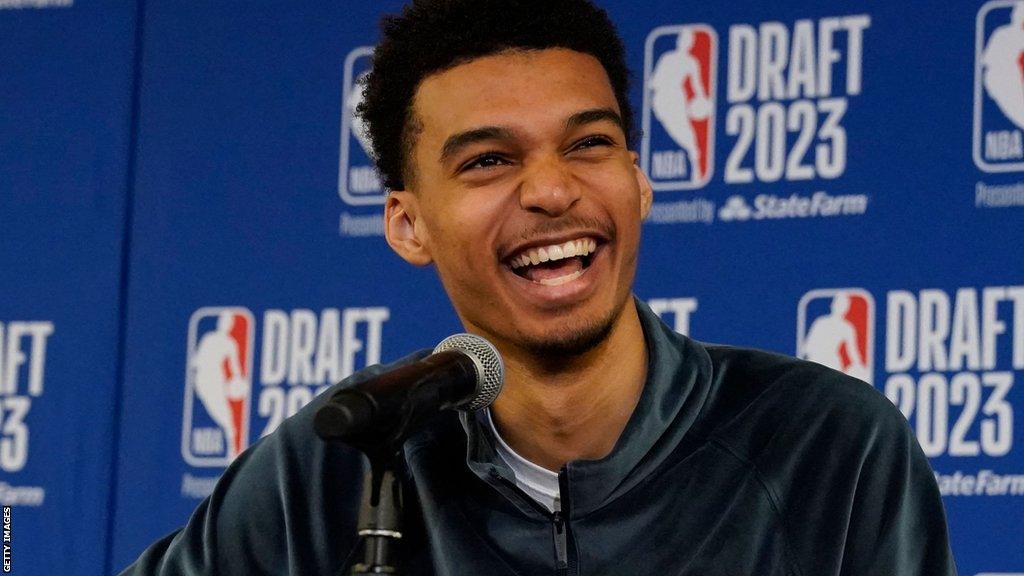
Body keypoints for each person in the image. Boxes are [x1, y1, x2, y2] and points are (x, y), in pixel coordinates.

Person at [121, 0, 957, 574]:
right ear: (408, 224)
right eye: (489, 160)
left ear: (639, 182)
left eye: (589, 145)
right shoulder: (344, 460)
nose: (553, 191)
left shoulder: (826, 446)